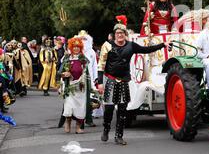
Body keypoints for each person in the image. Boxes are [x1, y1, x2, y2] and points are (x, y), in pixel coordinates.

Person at [97, 15, 170, 145]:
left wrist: (162, 45)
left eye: (122, 33)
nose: (119, 35)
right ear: (114, 35)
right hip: (110, 80)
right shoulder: (107, 45)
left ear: (125, 34)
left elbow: (146, 50)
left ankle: (119, 136)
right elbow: (101, 64)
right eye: (117, 33)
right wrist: (100, 82)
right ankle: (106, 129)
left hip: (124, 81)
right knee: (108, 109)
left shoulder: (131, 46)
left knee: (122, 109)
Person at [59, 37, 92, 134]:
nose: (76, 48)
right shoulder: (67, 58)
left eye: (78, 46)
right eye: (74, 46)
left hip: (81, 87)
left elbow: (87, 73)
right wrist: (65, 74)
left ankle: (78, 127)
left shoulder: (83, 59)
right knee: (69, 106)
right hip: (69, 87)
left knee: (80, 107)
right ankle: (68, 122)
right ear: (71, 47)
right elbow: (60, 72)